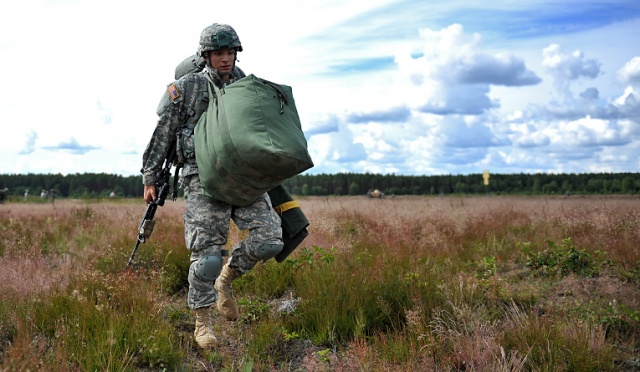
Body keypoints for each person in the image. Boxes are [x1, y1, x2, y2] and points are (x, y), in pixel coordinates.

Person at [141, 23, 283, 349]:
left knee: (270, 239)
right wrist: (150, 175)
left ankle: (227, 280)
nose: (226, 58)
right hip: (202, 178)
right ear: (206, 55)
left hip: (242, 177)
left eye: (230, 52)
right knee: (206, 258)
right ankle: (202, 323)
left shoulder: (246, 88)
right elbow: (163, 132)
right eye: (219, 53)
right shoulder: (186, 88)